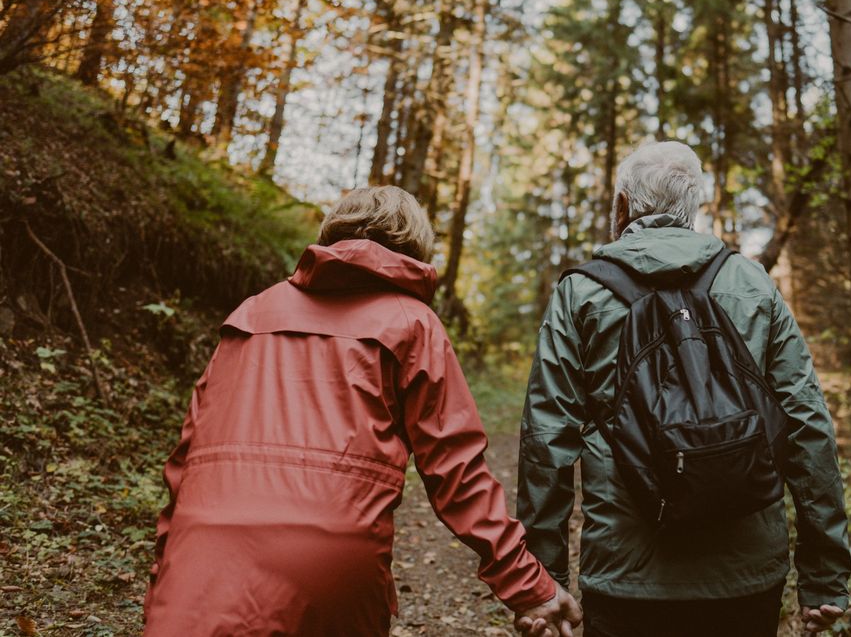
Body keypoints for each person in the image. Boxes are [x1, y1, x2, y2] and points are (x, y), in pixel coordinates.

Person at [144, 186, 581, 637]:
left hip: (201, 553)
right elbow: (457, 473)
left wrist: (164, 577)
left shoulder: (251, 313)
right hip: (329, 566)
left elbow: (185, 461)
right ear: (415, 245)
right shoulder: (411, 322)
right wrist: (530, 588)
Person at [517, 141, 851, 637]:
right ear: (691, 209)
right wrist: (823, 579)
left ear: (623, 207)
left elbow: (547, 440)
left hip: (625, 574)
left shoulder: (582, 292)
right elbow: (808, 425)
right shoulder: (751, 283)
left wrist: (542, 583)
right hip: (746, 574)